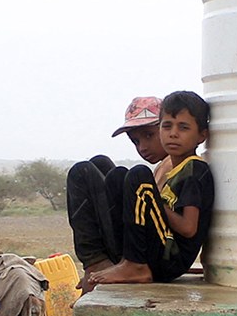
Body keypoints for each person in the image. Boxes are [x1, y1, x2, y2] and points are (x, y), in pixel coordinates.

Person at [80, 89, 214, 290]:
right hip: (159, 252)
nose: (173, 133)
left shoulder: (194, 169)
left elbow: (188, 228)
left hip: (172, 258)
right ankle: (112, 261)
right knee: (118, 176)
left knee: (138, 176)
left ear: (202, 135)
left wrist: (155, 204)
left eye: (183, 128)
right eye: (166, 127)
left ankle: (135, 265)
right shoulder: (173, 169)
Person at [66, 96, 167, 271]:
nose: (142, 147)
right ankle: (100, 260)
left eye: (149, 135)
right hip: (141, 242)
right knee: (102, 164)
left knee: (82, 172)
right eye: (135, 141)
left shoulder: (173, 165)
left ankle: (95, 263)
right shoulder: (164, 165)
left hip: (146, 252)